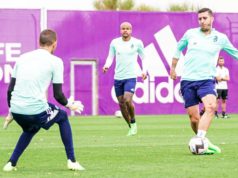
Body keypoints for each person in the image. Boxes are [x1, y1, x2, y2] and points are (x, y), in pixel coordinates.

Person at [3, 29, 85, 171]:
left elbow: (10, 90)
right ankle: (72, 160)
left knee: (31, 128)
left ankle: (11, 163)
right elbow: (58, 95)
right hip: (35, 110)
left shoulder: (22, 58)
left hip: (16, 110)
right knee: (63, 117)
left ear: (39, 42)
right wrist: (70, 105)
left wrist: (11, 113)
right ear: (54, 44)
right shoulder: (56, 61)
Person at [170, 8, 238, 154]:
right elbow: (178, 48)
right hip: (188, 80)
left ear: (212, 19)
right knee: (194, 119)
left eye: (205, 18)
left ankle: (199, 140)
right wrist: (173, 68)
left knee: (212, 107)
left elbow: (235, 53)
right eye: (200, 18)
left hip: (206, 80)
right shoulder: (190, 33)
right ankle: (205, 144)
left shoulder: (220, 38)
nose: (202, 21)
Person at [103, 22, 147, 136]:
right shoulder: (115, 43)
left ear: (131, 30)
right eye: (123, 29)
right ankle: (131, 126)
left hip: (131, 77)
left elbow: (144, 57)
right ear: (120, 30)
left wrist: (144, 71)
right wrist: (107, 65)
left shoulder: (137, 43)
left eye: (127, 29)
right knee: (122, 103)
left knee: (128, 100)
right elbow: (110, 56)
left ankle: (133, 121)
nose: (125, 30)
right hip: (118, 77)